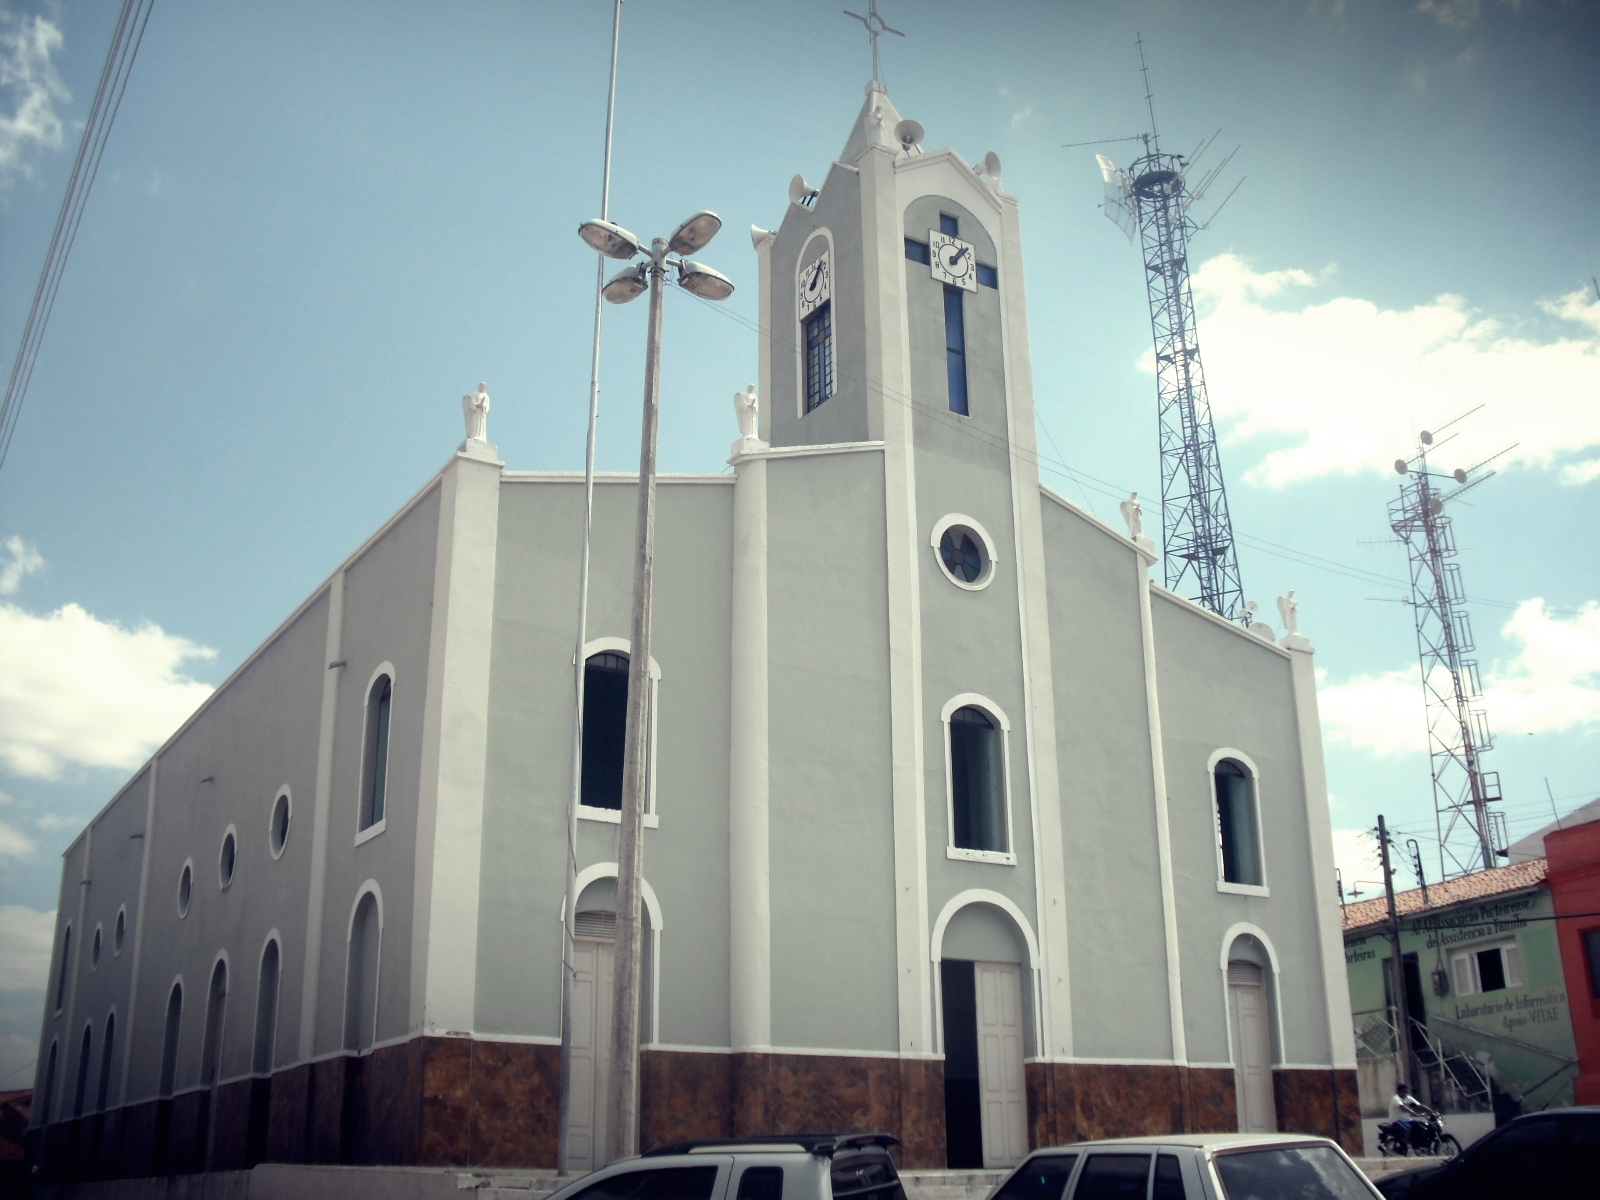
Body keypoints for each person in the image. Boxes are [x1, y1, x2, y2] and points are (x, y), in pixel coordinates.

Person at [1388, 1083, 1436, 1150]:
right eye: (1403, 1092)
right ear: (1398, 1092)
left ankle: (1419, 1144)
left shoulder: (1408, 1098)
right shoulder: (1396, 1099)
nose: (1405, 1093)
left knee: (1422, 1126)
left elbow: (1420, 1106)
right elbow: (1402, 1107)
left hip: (1408, 1120)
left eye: (1406, 1092)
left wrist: (1432, 1112)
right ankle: (1408, 1146)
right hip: (1397, 1121)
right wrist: (1411, 1112)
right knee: (1408, 1128)